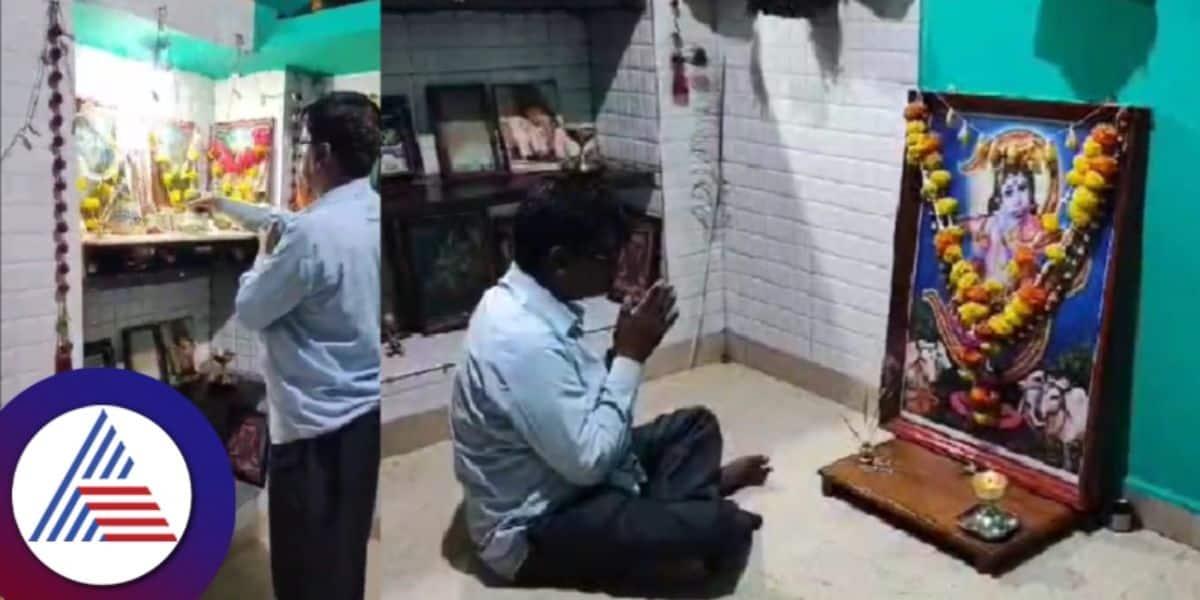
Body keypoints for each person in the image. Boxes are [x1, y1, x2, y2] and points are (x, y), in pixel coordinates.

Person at [450, 181, 771, 589]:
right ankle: (689, 509)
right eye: (608, 256)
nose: (619, 267)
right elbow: (590, 464)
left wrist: (619, 350)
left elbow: (578, 403)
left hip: (565, 472)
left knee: (696, 425)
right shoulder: (520, 339)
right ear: (560, 261)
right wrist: (630, 356)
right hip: (537, 525)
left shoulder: (531, 303)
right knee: (724, 528)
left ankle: (678, 508)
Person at [194, 91, 382, 600]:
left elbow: (252, 308)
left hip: (312, 435)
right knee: (344, 558)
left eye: (302, 149)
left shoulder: (312, 235)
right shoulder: (368, 212)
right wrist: (225, 206)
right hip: (363, 423)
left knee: (303, 574)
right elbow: (284, 222)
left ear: (321, 155)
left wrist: (261, 255)